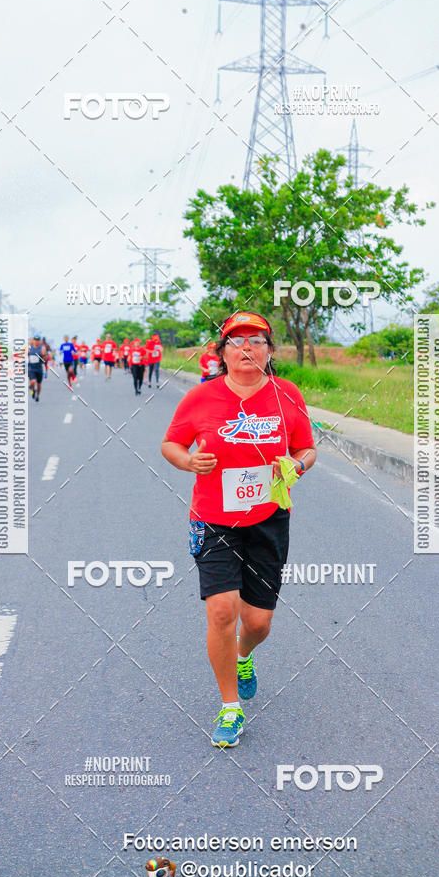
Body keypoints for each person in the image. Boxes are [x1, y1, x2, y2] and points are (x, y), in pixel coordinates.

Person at [161, 311, 317, 748]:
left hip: (268, 518)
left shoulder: (287, 395)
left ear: (269, 351)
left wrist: (297, 466)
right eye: (236, 341)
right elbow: (170, 443)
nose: (247, 348)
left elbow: (307, 448)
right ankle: (230, 708)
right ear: (222, 351)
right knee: (222, 611)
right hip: (213, 518)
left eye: (257, 340)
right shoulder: (200, 398)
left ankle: (244, 655)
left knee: (258, 621)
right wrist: (188, 461)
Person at [28, 335, 47, 402]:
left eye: (37, 340)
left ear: (40, 341)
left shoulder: (42, 348)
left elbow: (45, 360)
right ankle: (33, 389)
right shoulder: (29, 347)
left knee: (38, 384)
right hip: (31, 368)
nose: (36, 342)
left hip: (39, 368)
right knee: (33, 381)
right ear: (33, 341)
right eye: (35, 340)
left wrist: (44, 355)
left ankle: (37, 395)